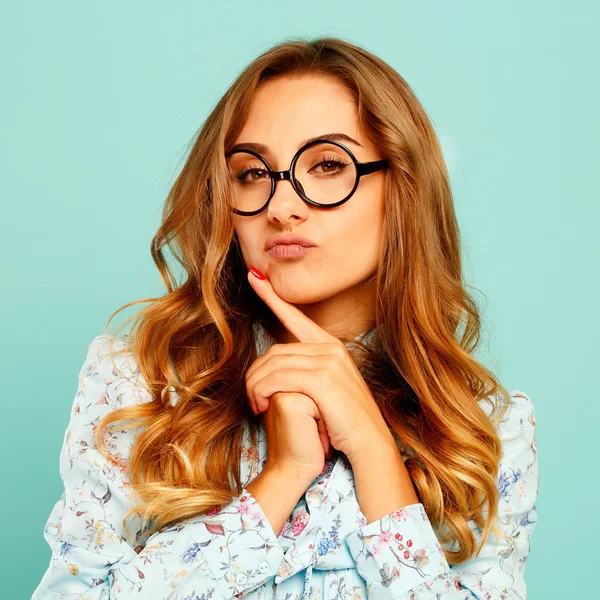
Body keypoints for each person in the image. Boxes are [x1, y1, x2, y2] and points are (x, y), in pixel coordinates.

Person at [31, 37, 538, 600]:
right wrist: (280, 480)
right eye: (251, 173)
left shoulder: (485, 430)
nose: (280, 205)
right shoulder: (139, 383)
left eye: (327, 165)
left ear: (402, 188)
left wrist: (372, 447)